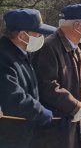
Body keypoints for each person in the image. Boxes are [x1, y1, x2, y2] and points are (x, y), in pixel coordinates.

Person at [31, 4, 81, 148]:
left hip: (72, 122)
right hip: (55, 126)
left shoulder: (76, 48)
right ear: (77, 26)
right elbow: (47, 85)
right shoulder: (49, 46)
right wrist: (74, 106)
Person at [0, 9, 56, 147]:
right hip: (9, 136)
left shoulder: (21, 53)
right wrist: (40, 112)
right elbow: (13, 97)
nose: (41, 36)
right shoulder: (4, 57)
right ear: (22, 35)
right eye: (38, 33)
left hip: (23, 133)